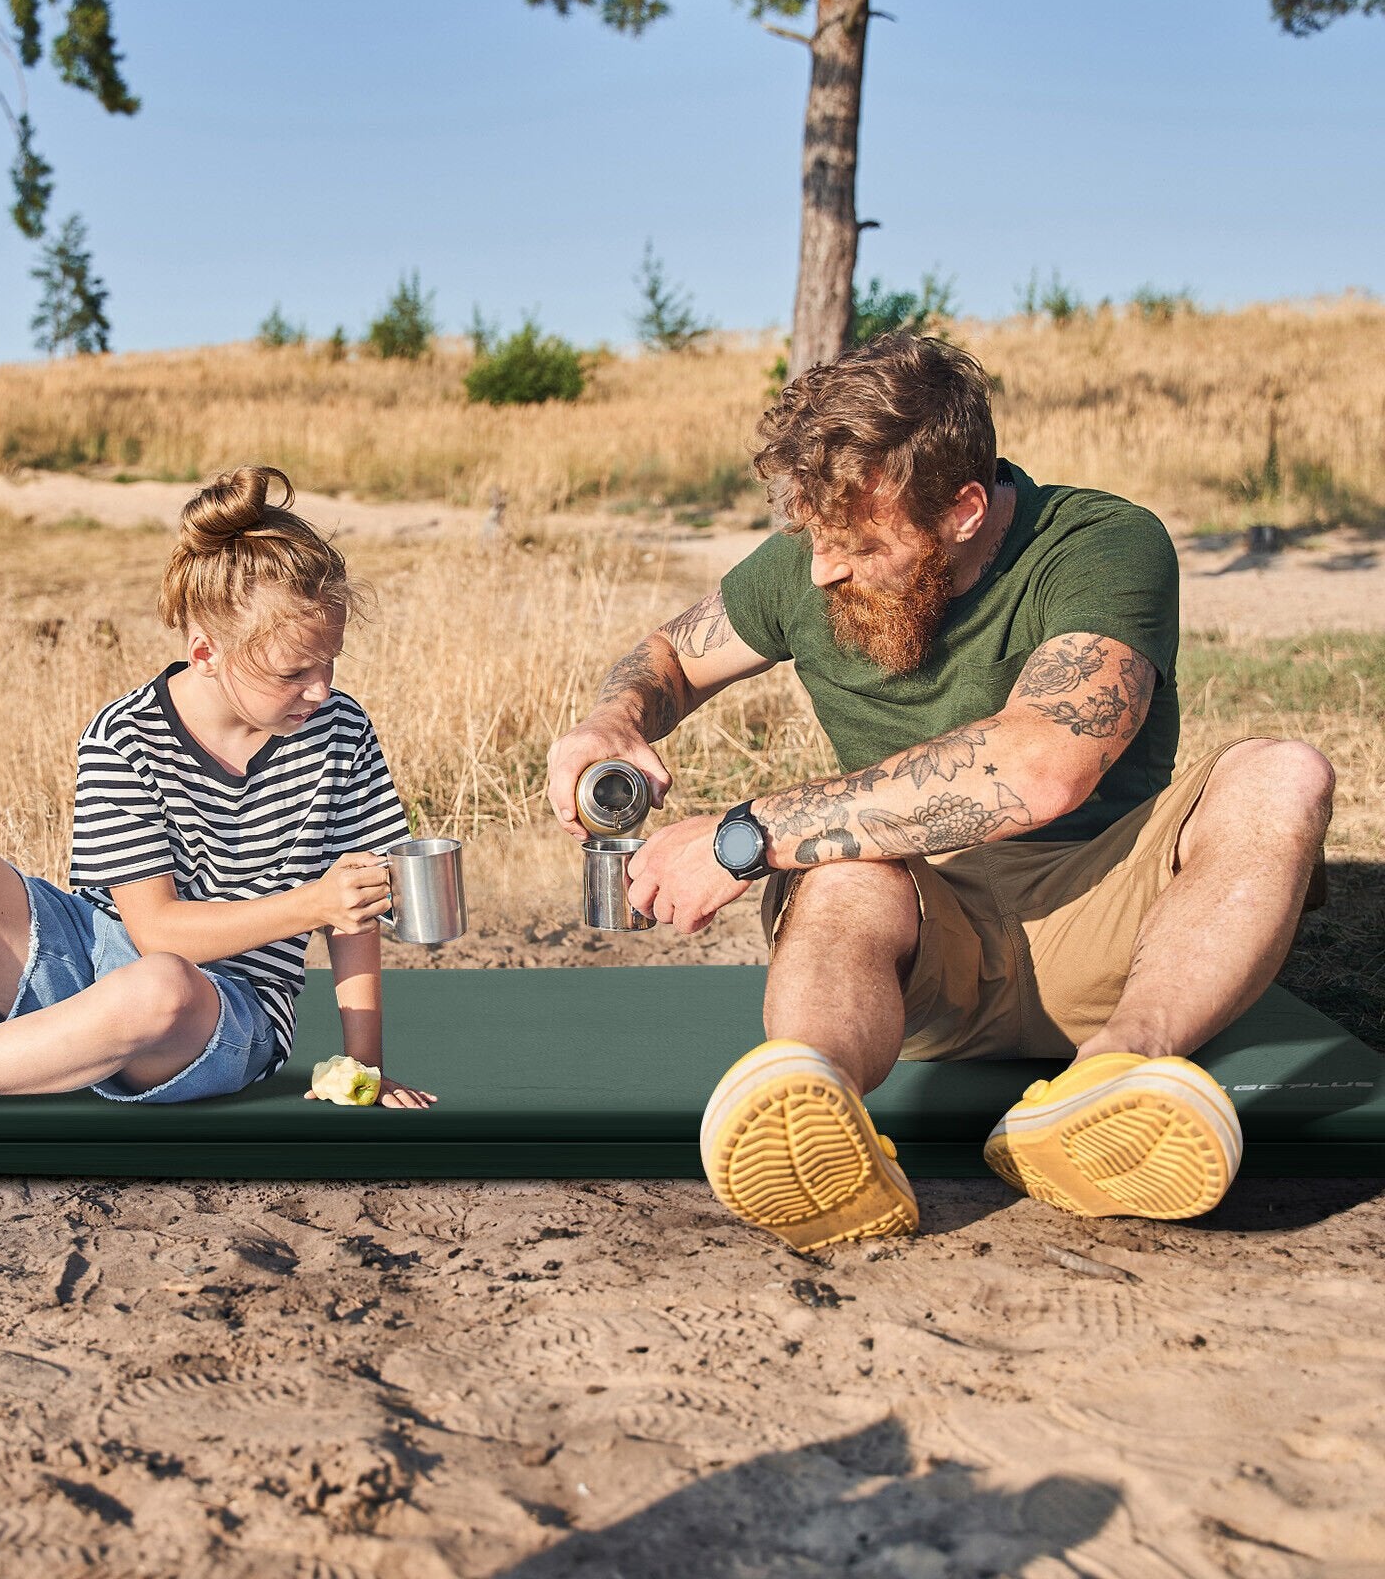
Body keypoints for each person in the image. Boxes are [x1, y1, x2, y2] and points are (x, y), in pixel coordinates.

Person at [547, 334, 1331, 1251]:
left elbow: (1042, 764)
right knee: (845, 870)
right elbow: (675, 654)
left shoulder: (1100, 543)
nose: (822, 571)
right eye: (814, 538)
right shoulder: (815, 560)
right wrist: (614, 719)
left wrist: (745, 835)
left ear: (964, 508)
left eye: (860, 544)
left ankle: (1117, 1074)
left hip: (1112, 926)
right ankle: (818, 1113)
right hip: (914, 949)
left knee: (1284, 773)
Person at [0, 465, 435, 1112]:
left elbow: (355, 915)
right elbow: (154, 928)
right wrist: (314, 903)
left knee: (161, 987)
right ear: (206, 653)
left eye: (331, 661)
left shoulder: (341, 730)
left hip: (219, 1018)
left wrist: (366, 1067)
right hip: (94, 959)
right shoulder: (124, 735)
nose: (321, 689)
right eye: (295, 671)